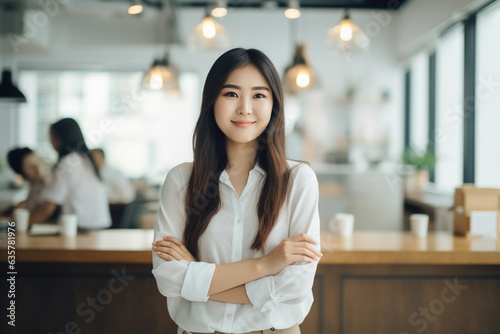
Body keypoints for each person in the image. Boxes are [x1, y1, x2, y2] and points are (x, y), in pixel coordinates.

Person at [151, 48, 322, 334]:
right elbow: (168, 278)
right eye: (231, 94)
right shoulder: (181, 179)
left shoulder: (299, 180)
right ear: (212, 101)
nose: (244, 108)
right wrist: (266, 265)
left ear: (274, 104)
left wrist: (197, 278)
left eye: (258, 95)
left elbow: (296, 284)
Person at [28, 118, 111, 230]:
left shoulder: (68, 162)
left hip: (81, 229)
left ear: (64, 138)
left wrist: (17, 226)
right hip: (99, 227)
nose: (51, 142)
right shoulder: (86, 159)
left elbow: (48, 207)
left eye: (53, 137)